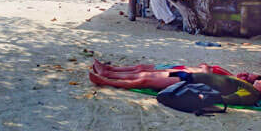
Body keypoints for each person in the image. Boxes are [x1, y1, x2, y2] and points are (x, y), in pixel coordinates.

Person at [88, 67, 261, 107]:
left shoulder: (251, 93)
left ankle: (105, 80)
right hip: (191, 76)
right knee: (148, 75)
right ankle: (109, 72)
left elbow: (229, 99)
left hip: (190, 82)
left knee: (145, 80)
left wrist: (207, 97)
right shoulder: (249, 86)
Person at [93, 60, 234, 77]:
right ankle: (110, 68)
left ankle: (107, 73)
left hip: (183, 73)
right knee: (141, 67)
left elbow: (207, 77)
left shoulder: (230, 81)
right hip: (181, 68)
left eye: (244, 77)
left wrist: (205, 67)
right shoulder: (229, 74)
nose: (243, 74)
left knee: (142, 72)